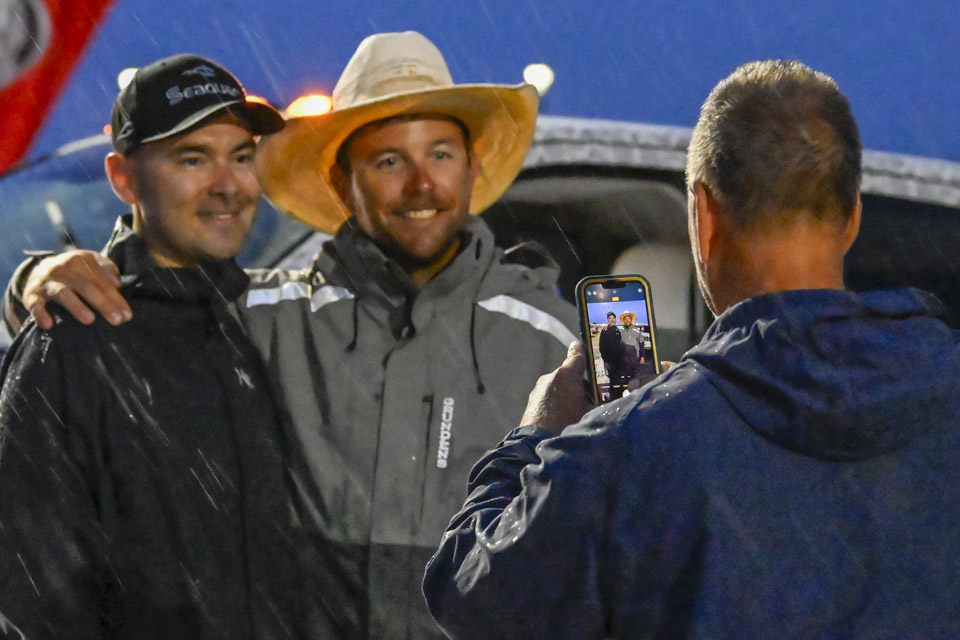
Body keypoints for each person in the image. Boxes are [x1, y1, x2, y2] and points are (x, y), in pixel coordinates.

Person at [5, 32, 578, 639]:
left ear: (472, 166)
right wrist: (38, 281)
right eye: (388, 161)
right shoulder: (263, 317)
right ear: (342, 183)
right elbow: (156, 301)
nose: (420, 184)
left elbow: (603, 542)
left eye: (440, 154)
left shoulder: (557, 341)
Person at [423, 60, 960, 638]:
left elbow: (471, 595)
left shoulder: (630, 449)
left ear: (702, 216)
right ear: (852, 217)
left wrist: (536, 436)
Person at [0, 54, 317, 638]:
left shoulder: (284, 324)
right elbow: (29, 599)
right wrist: (31, 281)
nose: (227, 185)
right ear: (123, 178)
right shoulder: (73, 344)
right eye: (192, 159)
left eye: (241, 156)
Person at [598, 311, 625, 396]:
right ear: (607, 320)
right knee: (612, 381)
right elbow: (602, 347)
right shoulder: (604, 331)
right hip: (610, 362)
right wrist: (605, 361)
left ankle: (621, 397)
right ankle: (613, 398)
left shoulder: (617, 330)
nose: (612, 320)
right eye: (610, 318)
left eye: (613, 318)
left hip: (619, 361)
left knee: (620, 381)